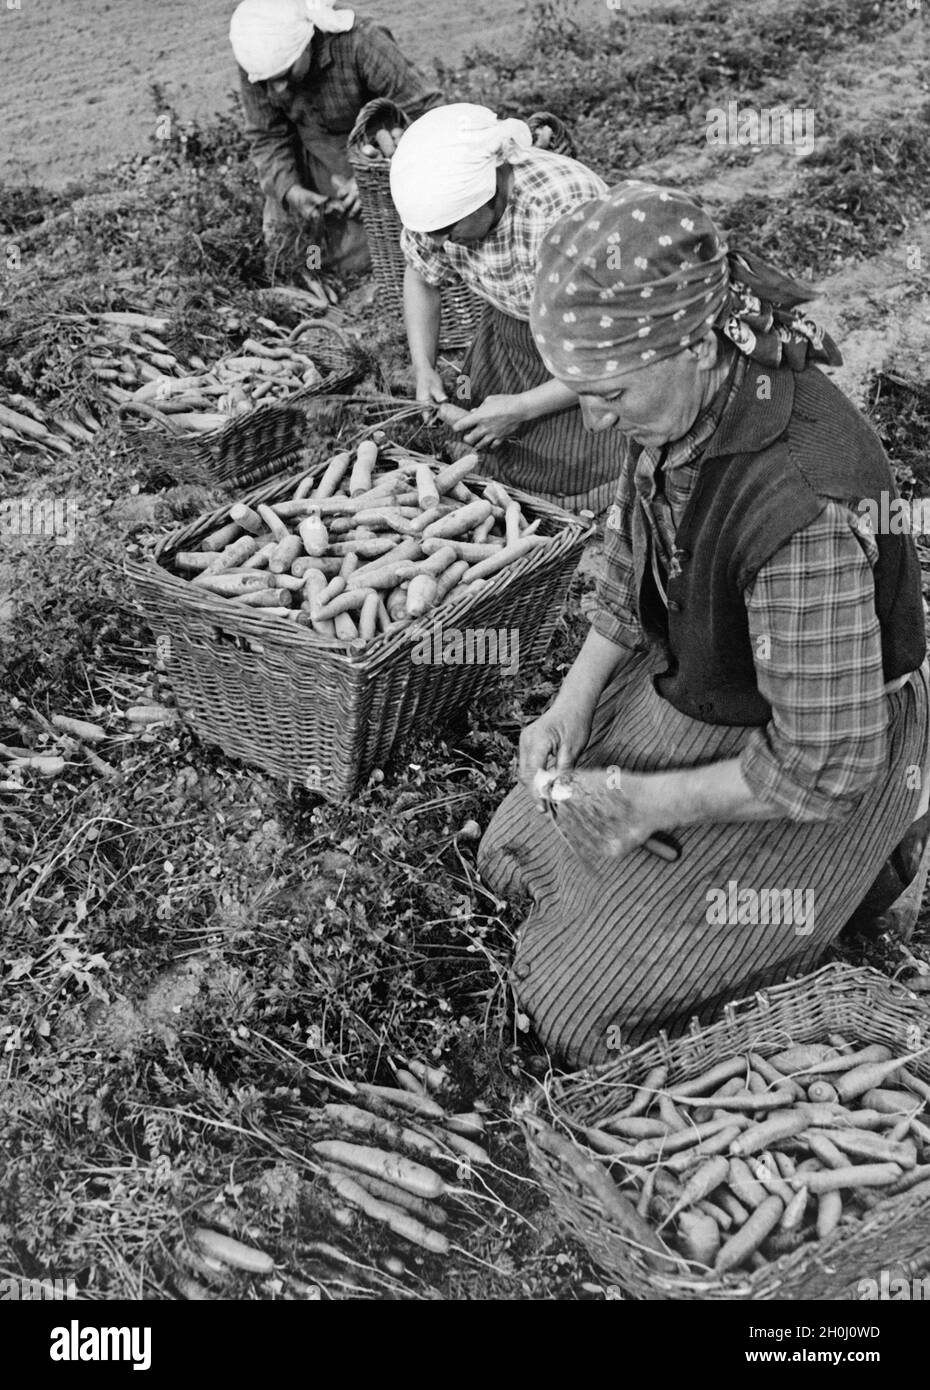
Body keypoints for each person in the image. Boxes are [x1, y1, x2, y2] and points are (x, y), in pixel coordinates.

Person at [477, 181, 930, 1069]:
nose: (594, 417)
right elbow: (627, 550)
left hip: (824, 747)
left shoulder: (802, 508)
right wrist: (572, 703)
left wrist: (653, 802)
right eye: (581, 390)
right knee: (513, 851)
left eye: (607, 392)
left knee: (574, 1007)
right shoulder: (675, 401)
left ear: (692, 346)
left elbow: (825, 762)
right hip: (713, 681)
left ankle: (871, 862)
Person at [390, 104, 621, 515]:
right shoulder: (442, 207)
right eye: (432, 233)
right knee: (480, 438)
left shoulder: (561, 210)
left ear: (491, 193)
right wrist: (423, 366)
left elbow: (612, 350)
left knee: (575, 471)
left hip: (591, 349)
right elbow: (422, 276)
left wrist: (523, 407)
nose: (440, 243)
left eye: (449, 231)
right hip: (509, 333)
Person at [230, 0, 443, 282]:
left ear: (307, 44)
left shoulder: (361, 41)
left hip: (375, 153)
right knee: (295, 249)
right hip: (312, 157)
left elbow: (427, 111)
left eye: (285, 75)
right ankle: (319, 271)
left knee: (369, 252)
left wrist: (374, 175)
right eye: (269, 81)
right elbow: (268, 135)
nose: (277, 88)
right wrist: (291, 190)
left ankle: (359, 268)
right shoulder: (260, 58)